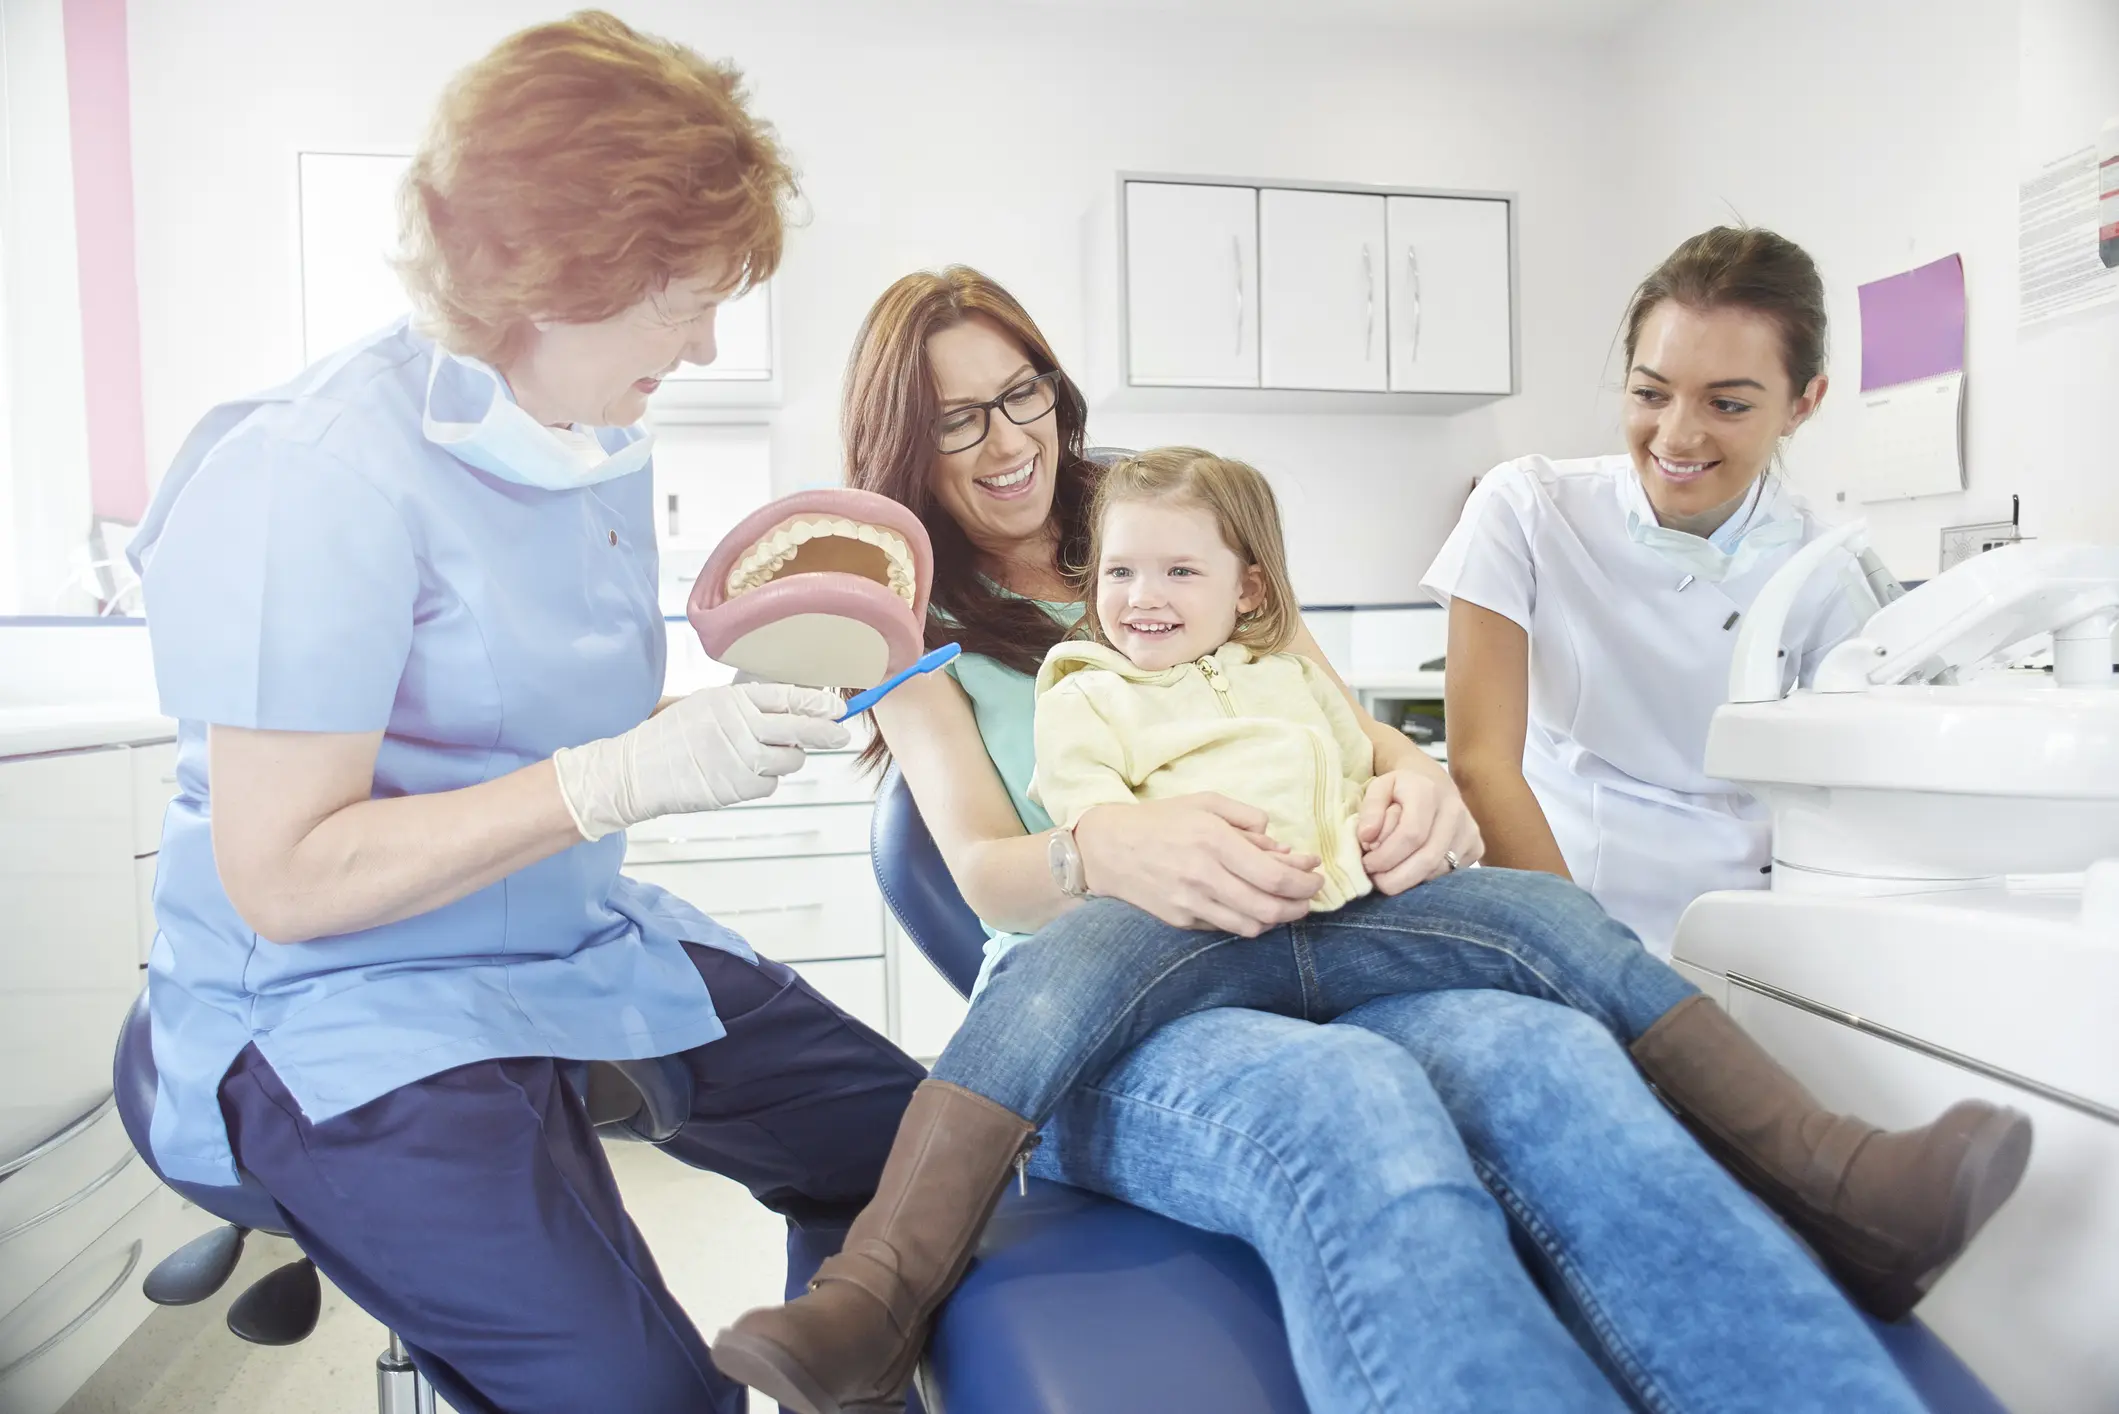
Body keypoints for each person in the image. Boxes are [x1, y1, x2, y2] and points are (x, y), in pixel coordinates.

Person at [712, 265, 1939, 1414]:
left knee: (1552, 1060)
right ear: (904, 443)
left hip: (1329, 935)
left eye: (1019, 392)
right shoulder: (907, 622)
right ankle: (877, 1290)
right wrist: (1104, 853)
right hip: (1106, 1008)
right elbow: (982, 866)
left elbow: (1354, 733)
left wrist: (1428, 795)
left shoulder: (1177, 527)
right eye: (955, 419)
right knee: (1343, 1098)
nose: (1007, 438)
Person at [123, 16, 924, 1413]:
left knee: (922, 1160)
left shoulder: (585, 432)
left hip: (559, 941)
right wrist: (621, 777)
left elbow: (516, 712)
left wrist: (713, 728)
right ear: (543, 272)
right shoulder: (311, 477)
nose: (709, 334)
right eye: (681, 294)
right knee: (644, 1395)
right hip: (340, 1007)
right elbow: (289, 877)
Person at [1428, 226, 1863, 956]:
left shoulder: (1830, 567)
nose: (1676, 435)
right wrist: (1581, 957)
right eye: (1649, 393)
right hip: (1555, 891)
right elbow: (1480, 762)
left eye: (1726, 405)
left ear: (1802, 403)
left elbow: (1842, 801)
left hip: (1748, 915)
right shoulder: (1527, 507)